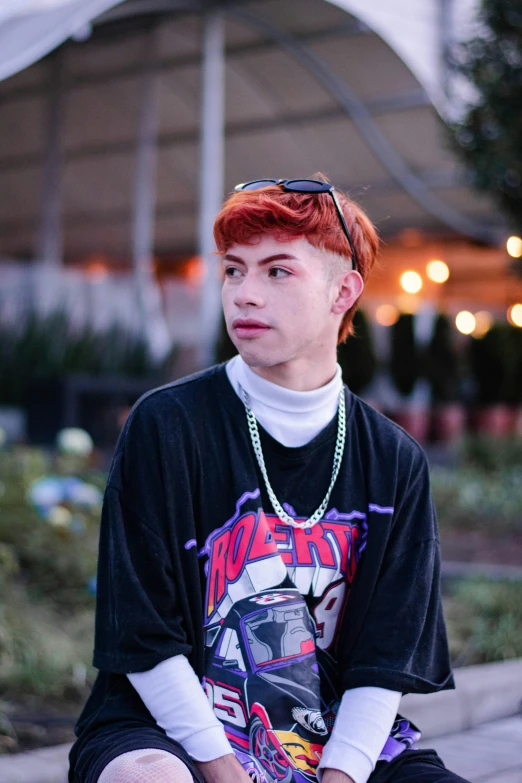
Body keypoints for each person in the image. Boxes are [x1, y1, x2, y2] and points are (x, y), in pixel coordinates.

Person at [69, 177, 469, 783]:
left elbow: (384, 661)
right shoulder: (169, 426)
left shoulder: (394, 460)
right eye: (234, 270)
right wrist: (222, 769)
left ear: (343, 292)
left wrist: (339, 773)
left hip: (338, 739)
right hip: (171, 732)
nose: (244, 295)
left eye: (277, 272)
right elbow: (142, 635)